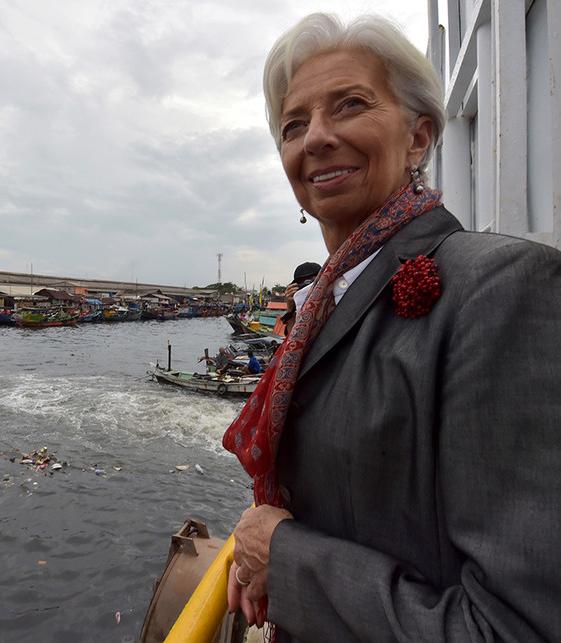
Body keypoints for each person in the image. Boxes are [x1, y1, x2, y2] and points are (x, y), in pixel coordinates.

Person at [223, 13, 561, 641]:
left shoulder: (500, 289)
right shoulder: (321, 308)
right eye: (294, 125)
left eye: (349, 105)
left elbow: (514, 626)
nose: (317, 138)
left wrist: (285, 559)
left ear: (417, 137)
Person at [279, 262, 321, 335]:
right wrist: (290, 309)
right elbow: (293, 338)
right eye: (302, 285)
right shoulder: (298, 310)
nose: (306, 288)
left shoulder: (333, 298)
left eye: (310, 283)